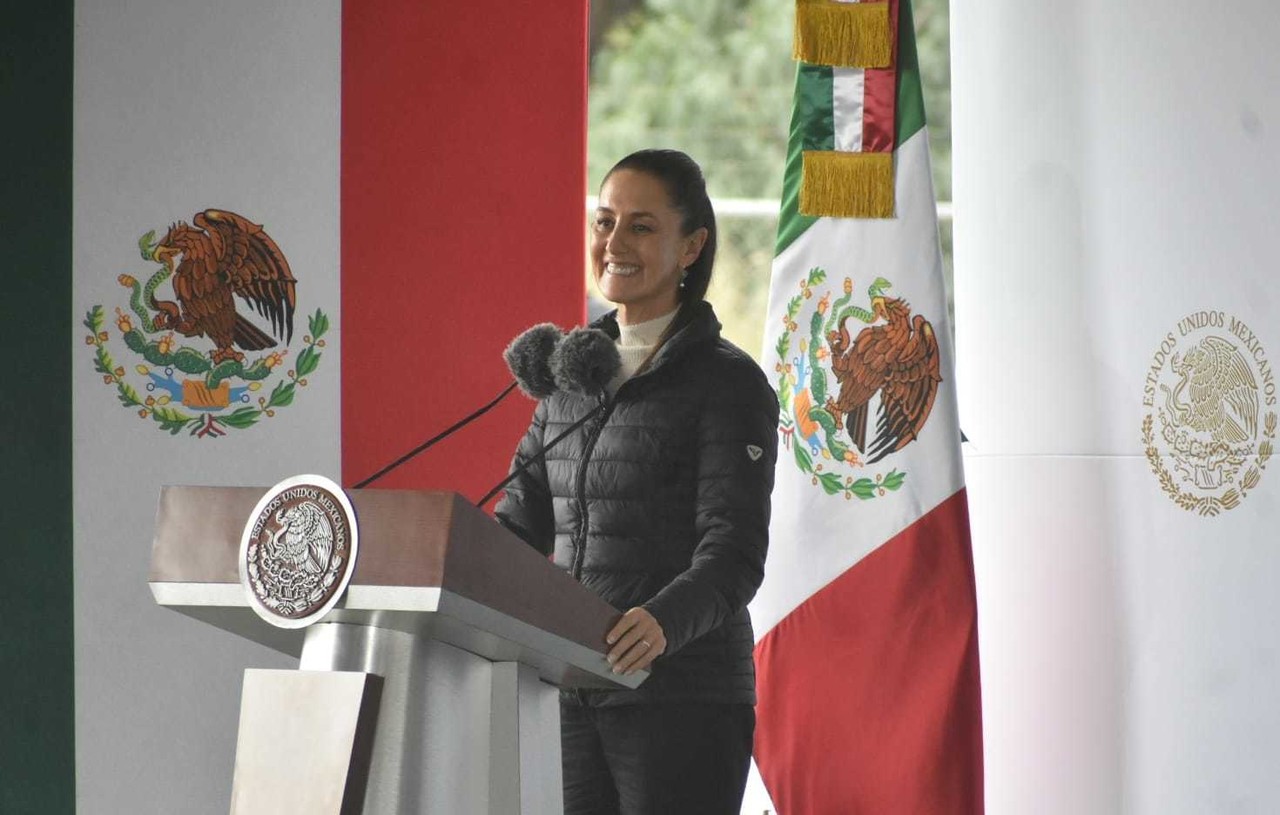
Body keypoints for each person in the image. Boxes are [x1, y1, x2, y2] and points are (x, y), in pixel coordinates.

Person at [495, 148, 779, 814]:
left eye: (641, 226)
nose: (613, 242)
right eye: (604, 221)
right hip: (568, 690)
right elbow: (517, 526)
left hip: (684, 697)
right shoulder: (570, 378)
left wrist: (661, 622)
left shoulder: (727, 383)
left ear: (691, 247)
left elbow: (733, 553)